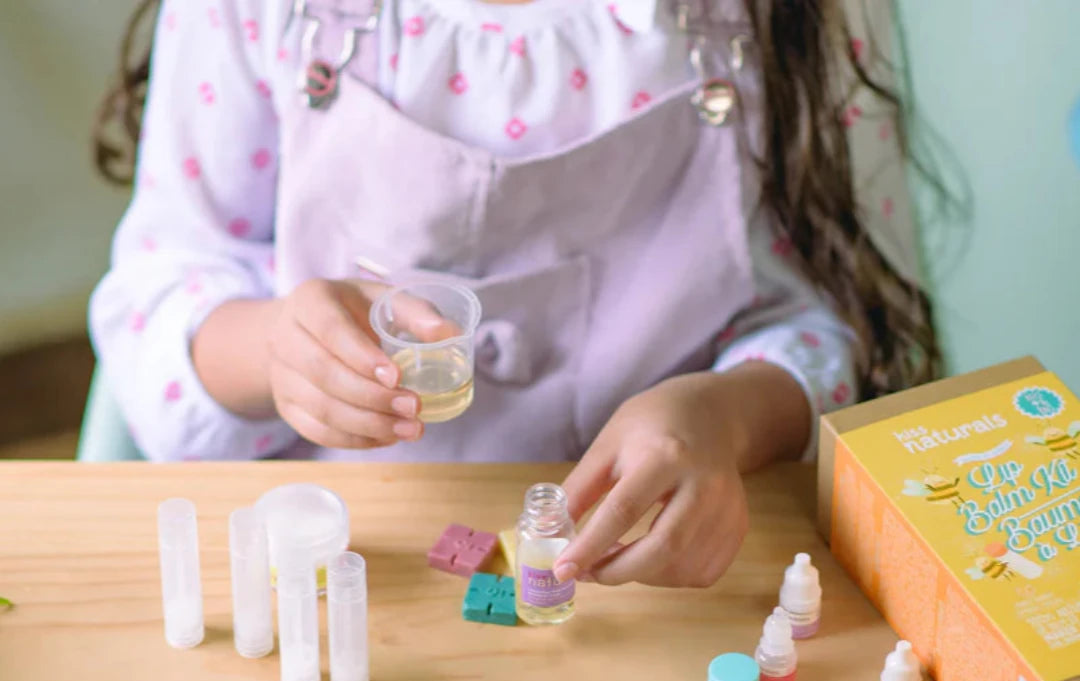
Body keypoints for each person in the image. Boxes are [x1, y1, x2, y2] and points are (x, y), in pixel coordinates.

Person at [90, 0, 940, 588]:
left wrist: (727, 420)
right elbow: (166, 287)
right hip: (345, 564)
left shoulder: (776, 19)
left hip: (669, 578)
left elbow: (837, 316)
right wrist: (277, 348)